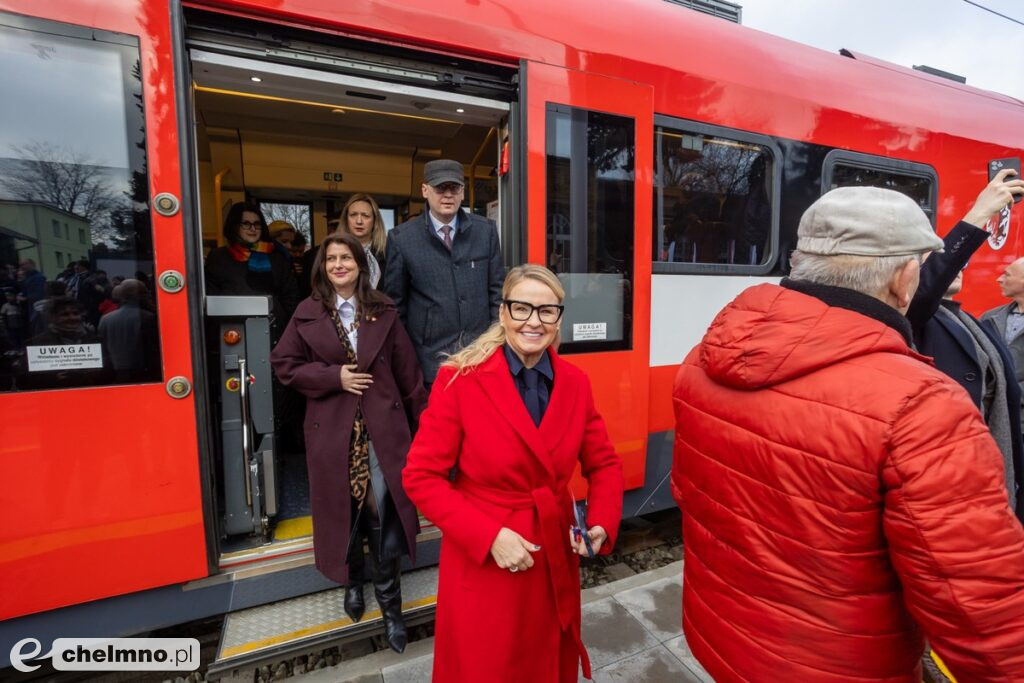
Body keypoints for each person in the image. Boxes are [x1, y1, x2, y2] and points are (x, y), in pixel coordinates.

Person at [672, 186, 1024, 681]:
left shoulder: (701, 361)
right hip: (838, 666)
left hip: (723, 638)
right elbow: (979, 614)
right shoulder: (922, 407)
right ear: (905, 278)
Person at [403, 264, 624, 682]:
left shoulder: (576, 383)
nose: (533, 322)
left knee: (545, 665)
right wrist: (488, 538)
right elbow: (420, 476)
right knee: (487, 665)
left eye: (546, 311)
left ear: (559, 319)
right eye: (521, 308)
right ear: (503, 313)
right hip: (487, 560)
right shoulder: (460, 380)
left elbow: (605, 463)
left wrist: (601, 522)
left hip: (552, 553)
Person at [270, 232, 427, 654]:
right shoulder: (306, 313)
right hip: (332, 430)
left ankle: (391, 608)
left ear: (361, 264)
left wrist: (423, 430)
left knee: (382, 514)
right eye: (331, 258)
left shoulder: (384, 310)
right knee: (346, 512)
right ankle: (353, 584)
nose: (339, 264)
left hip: (382, 430)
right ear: (322, 266)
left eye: (347, 258)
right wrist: (332, 377)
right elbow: (284, 365)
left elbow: (409, 375)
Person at [907, 169, 1024, 516]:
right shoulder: (916, 315)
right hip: (955, 471)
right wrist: (980, 213)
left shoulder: (968, 318)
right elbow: (926, 289)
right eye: (934, 256)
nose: (953, 263)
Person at [383, 159, 505, 386]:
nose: (448, 195)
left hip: (481, 355)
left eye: (455, 188)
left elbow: (497, 292)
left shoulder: (485, 231)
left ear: (462, 192)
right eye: (440, 188)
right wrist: (406, 359)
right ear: (425, 190)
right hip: (430, 362)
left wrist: (495, 344)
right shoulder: (402, 239)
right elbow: (395, 307)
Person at [205, 202, 299, 338]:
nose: (253, 229)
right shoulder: (219, 257)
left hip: (274, 331)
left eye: (257, 224)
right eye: (246, 224)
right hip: (231, 331)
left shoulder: (277, 257)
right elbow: (212, 296)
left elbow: (291, 298)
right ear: (235, 226)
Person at [98, 278, 160, 382]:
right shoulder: (148, 317)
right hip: (142, 372)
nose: (149, 295)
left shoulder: (105, 318)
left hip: (115, 372)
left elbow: (102, 345)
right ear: (140, 295)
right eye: (146, 292)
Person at [982, 255, 1024, 407]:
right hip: (997, 416)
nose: (999, 279)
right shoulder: (990, 317)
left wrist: (1010, 394)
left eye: (1007, 275)